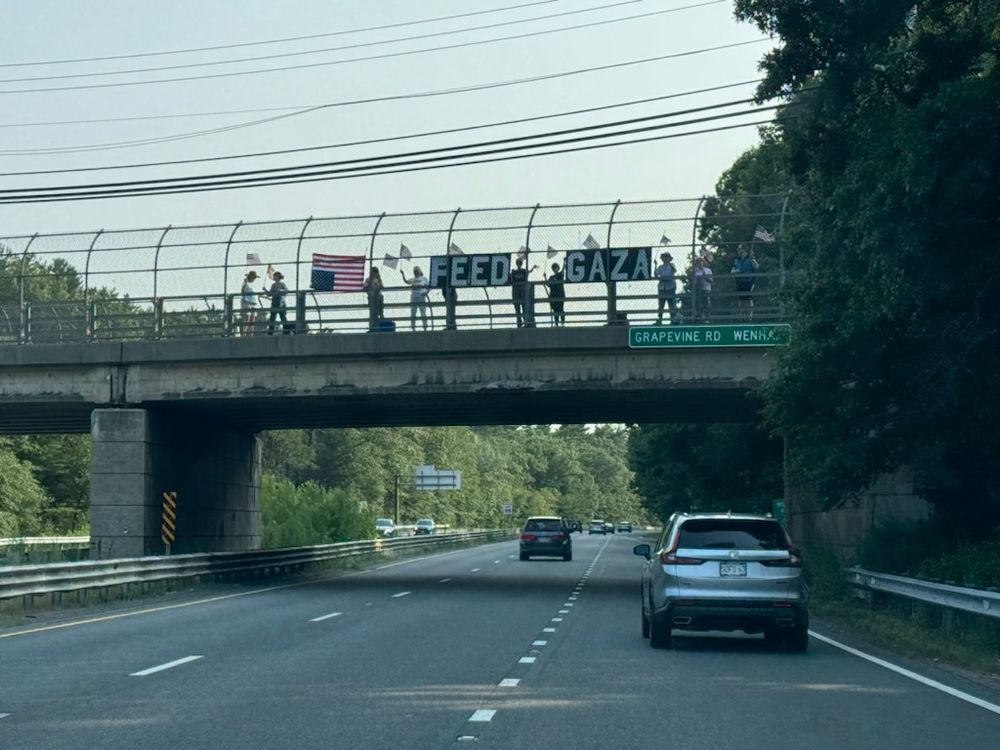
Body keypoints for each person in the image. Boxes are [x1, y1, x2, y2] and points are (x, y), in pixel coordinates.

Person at [730, 244, 759, 321]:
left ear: (743, 250)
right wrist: (737, 271)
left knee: (749, 299)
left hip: (749, 281)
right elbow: (732, 271)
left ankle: (750, 317)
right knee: (741, 300)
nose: (738, 251)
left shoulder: (749, 258)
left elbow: (756, 266)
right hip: (739, 282)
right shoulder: (737, 260)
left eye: (739, 249)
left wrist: (753, 259)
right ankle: (742, 316)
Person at [510, 256, 538, 328]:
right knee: (517, 309)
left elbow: (529, 272)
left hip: (522, 292)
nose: (519, 264)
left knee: (524, 308)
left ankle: (525, 322)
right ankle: (519, 323)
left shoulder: (523, 271)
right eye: (518, 263)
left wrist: (533, 268)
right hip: (516, 292)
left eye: (520, 263)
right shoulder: (514, 272)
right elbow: (511, 280)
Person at [401, 266, 430, 331]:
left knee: (423, 311)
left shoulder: (424, 278)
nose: (415, 272)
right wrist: (403, 274)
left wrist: (426, 292)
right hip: (413, 296)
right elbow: (406, 281)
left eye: (417, 271)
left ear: (420, 271)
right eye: (414, 271)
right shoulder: (412, 279)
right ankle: (413, 326)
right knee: (413, 311)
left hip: (421, 296)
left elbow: (429, 286)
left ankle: (425, 326)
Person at [655, 251, 678, 325]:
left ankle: (673, 319)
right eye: (664, 257)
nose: (665, 259)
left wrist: (670, 264)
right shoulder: (660, 267)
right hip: (662, 287)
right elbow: (656, 275)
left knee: (671, 304)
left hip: (670, 286)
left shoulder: (672, 265)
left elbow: (674, 271)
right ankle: (659, 319)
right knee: (661, 304)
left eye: (667, 257)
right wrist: (655, 265)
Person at [690, 257, 713, 323]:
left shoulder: (708, 270)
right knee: (698, 303)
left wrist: (704, 275)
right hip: (698, 290)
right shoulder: (695, 271)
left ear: (703, 263)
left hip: (706, 288)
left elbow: (711, 280)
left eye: (701, 262)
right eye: (698, 262)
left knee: (707, 303)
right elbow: (693, 281)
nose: (700, 263)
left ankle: (707, 318)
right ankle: (699, 317)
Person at [239, 270, 260, 336]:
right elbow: (242, 290)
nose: (254, 278)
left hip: (254, 301)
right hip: (246, 301)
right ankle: (244, 332)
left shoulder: (255, 284)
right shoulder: (245, 282)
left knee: (253, 318)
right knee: (247, 317)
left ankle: (251, 332)